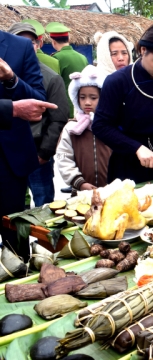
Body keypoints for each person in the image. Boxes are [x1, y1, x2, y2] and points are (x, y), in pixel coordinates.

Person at [92, 21, 153, 183]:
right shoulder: (118, 81)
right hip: (128, 167)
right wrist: (136, 148)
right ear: (143, 50)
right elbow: (101, 126)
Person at [8, 22, 69, 207]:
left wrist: (44, 153)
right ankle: (16, 237)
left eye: (32, 42)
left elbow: (58, 118)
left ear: (39, 44)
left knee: (44, 205)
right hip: (7, 152)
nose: (27, 46)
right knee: (12, 207)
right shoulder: (4, 76)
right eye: (20, 41)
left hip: (37, 151)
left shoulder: (51, 78)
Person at [0, 30, 47, 261]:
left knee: (16, 244)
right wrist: (11, 109)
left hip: (9, 163)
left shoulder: (20, 46)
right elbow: (17, 109)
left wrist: (11, 78)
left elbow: (38, 101)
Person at [56, 65, 111, 194]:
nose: (87, 102)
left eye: (93, 98)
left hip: (111, 191)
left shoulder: (111, 126)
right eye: (82, 97)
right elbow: (64, 159)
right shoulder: (71, 128)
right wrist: (79, 183)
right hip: (81, 193)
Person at [47, 22, 88, 118]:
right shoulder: (82, 57)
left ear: (53, 42)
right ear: (68, 39)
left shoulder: (55, 58)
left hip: (64, 108)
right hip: (82, 107)